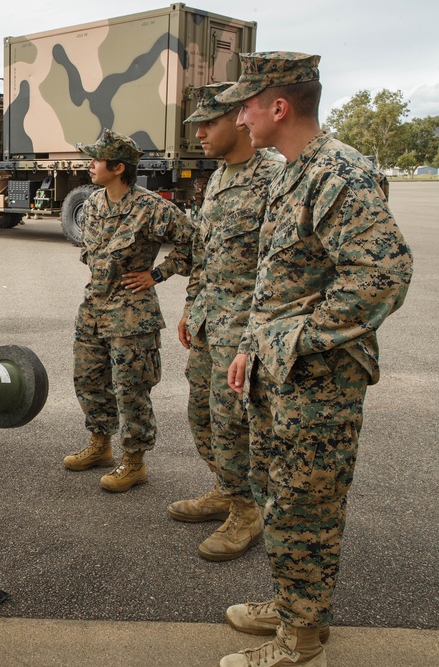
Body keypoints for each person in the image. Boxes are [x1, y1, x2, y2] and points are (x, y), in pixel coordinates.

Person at [218, 53, 413, 667]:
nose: (240, 116)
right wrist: (253, 344)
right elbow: (277, 275)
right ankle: (292, 604)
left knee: (307, 504)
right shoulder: (289, 171)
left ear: (278, 107)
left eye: (247, 104)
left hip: (320, 378)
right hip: (281, 374)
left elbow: (383, 273)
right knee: (281, 494)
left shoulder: (338, 172)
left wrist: (296, 338)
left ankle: (300, 642)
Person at [165, 83, 283, 562]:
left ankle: (246, 510)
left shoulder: (273, 177)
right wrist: (192, 307)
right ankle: (224, 488)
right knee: (203, 417)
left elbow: (281, 267)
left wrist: (256, 337)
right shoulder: (216, 178)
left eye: (207, 123)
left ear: (238, 118)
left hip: (244, 331)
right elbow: (204, 253)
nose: (198, 133)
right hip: (211, 322)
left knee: (236, 424)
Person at [64, 128, 192, 492]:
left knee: (130, 388)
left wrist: (157, 274)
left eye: (97, 159)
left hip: (132, 315)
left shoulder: (150, 208)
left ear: (118, 167)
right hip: (93, 308)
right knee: (88, 379)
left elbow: (194, 243)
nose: (90, 165)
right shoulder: (91, 204)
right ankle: (100, 445)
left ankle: (134, 461)